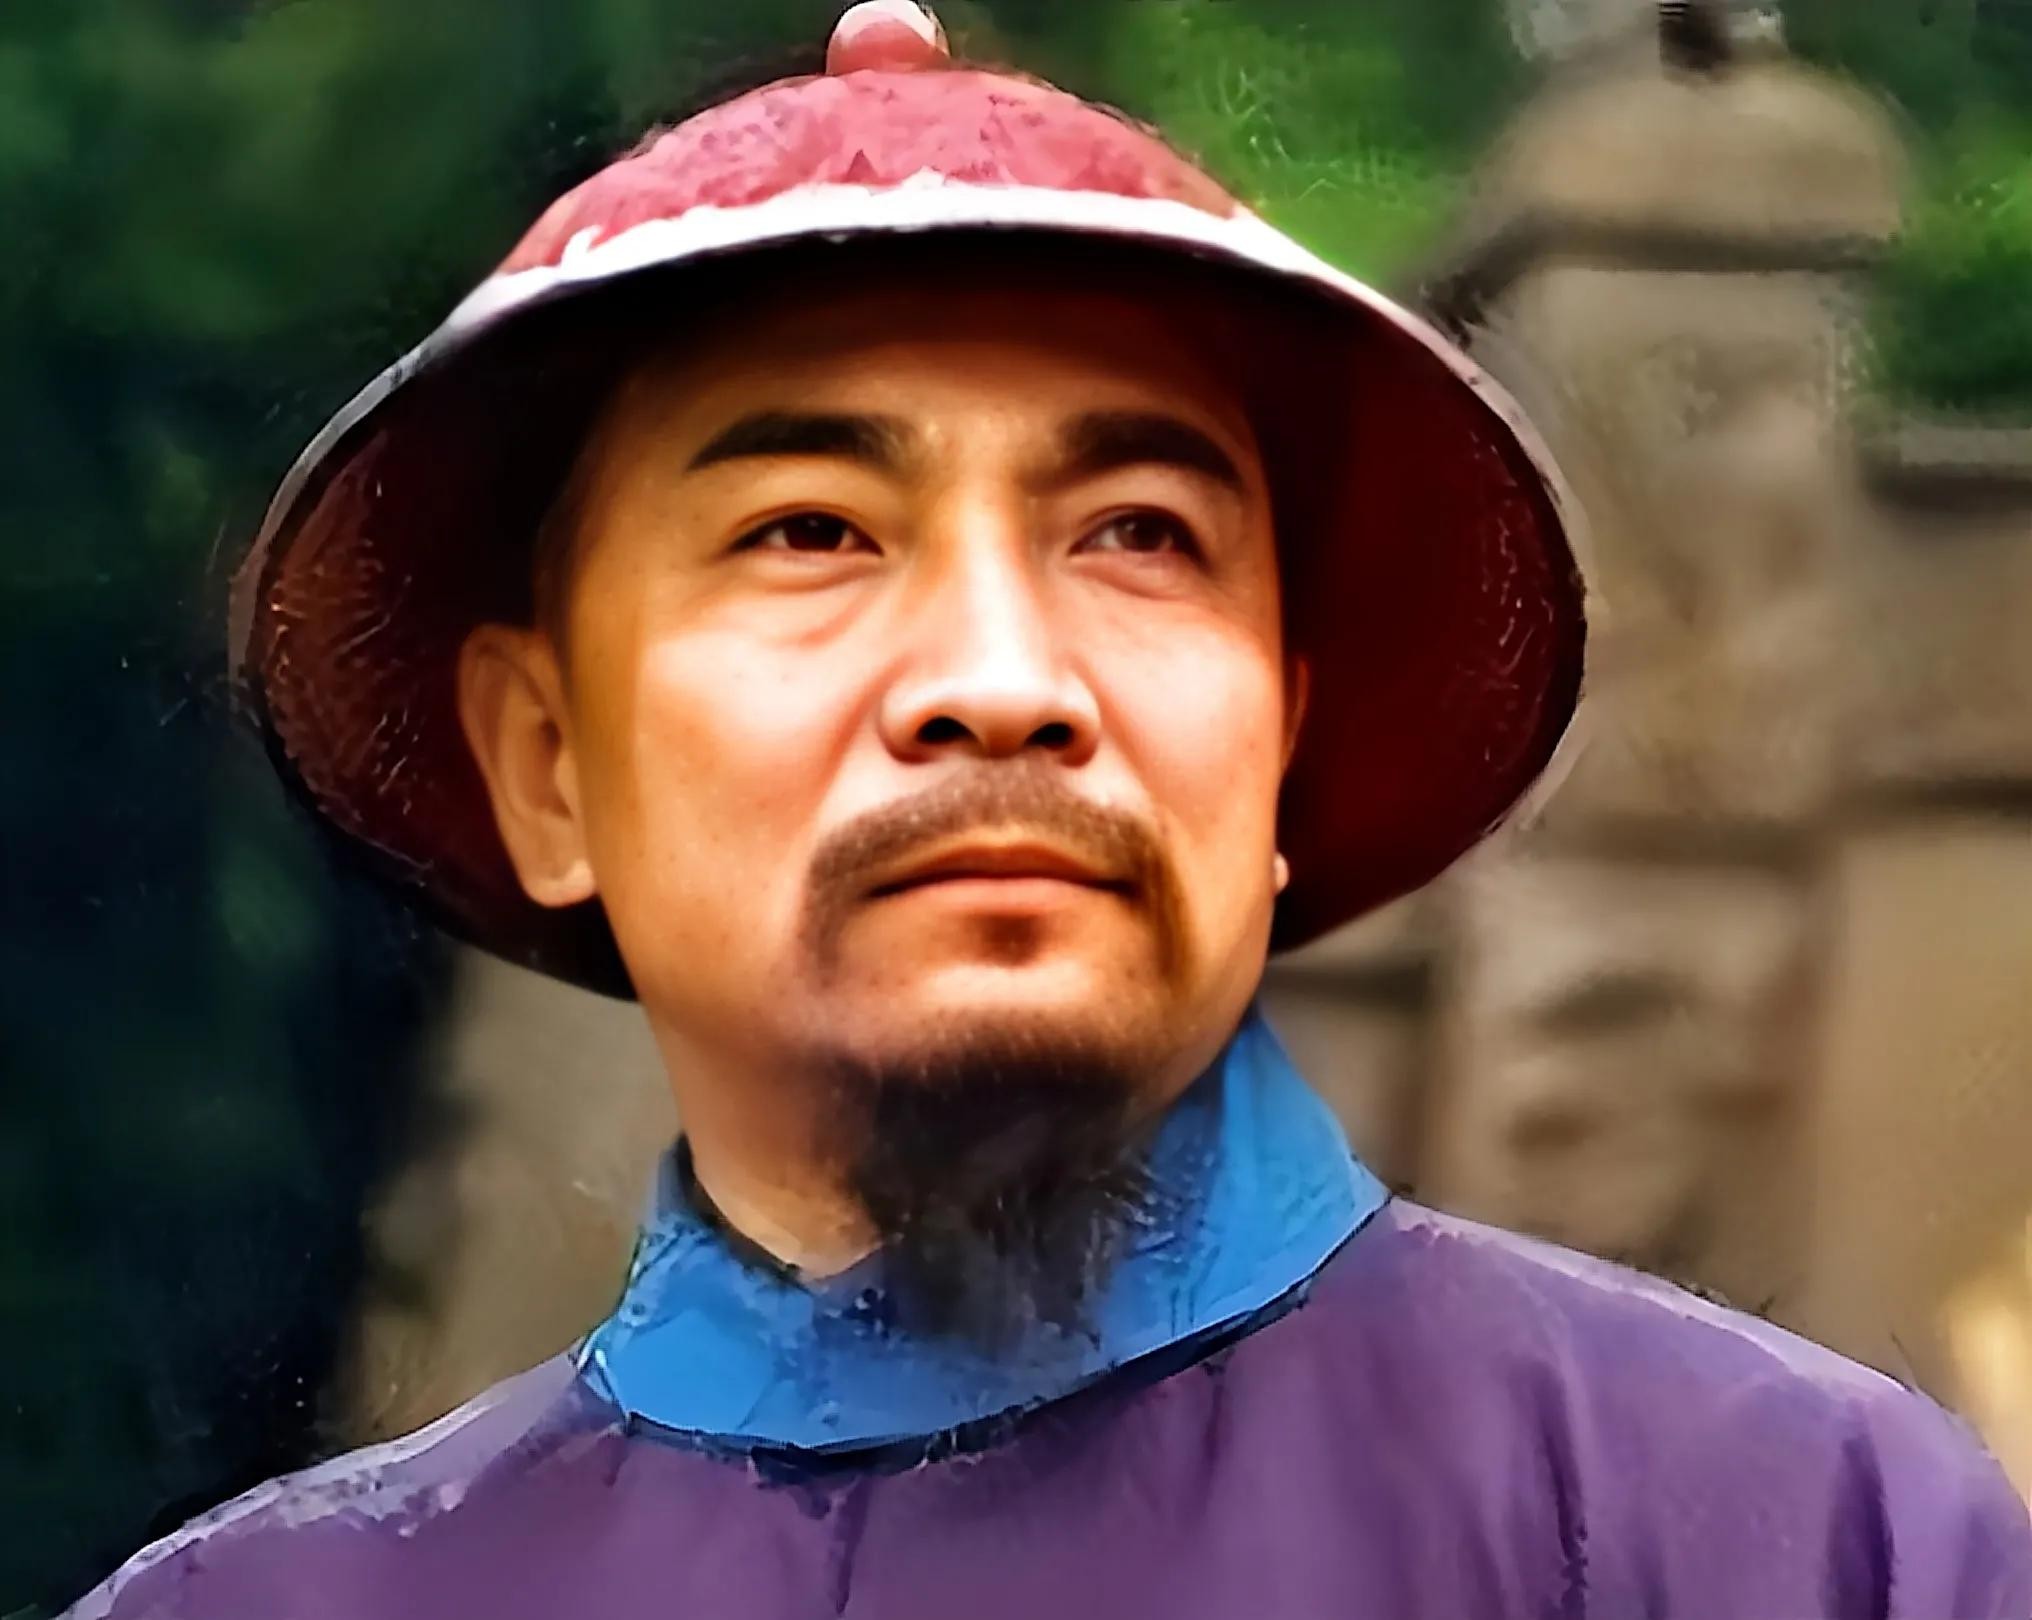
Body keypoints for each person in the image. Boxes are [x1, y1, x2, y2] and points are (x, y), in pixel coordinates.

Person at [73, 4, 2032, 1616]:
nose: (1003, 677)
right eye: (810, 530)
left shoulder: (1799, 1540)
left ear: (1279, 743)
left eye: (1138, 535)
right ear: (546, 764)